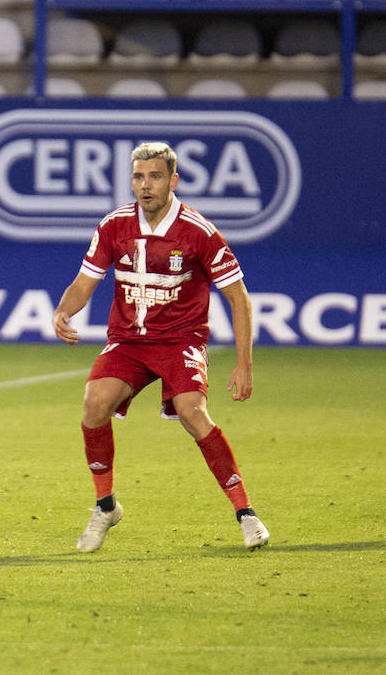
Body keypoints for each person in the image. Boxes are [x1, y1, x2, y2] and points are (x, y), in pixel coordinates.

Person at [51, 141, 269, 553]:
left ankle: (246, 514)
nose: (145, 185)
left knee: (192, 411)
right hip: (129, 341)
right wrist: (63, 312)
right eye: (138, 177)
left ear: (174, 180)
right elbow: (85, 282)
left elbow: (239, 298)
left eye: (154, 176)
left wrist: (245, 365)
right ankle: (105, 506)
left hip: (179, 340)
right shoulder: (114, 225)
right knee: (94, 402)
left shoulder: (198, 232)